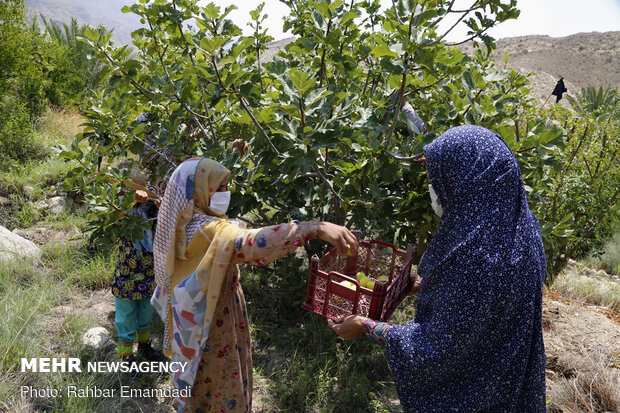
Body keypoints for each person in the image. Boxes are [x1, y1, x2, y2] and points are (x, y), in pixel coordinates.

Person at [328, 125, 546, 412]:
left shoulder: (474, 254)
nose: (436, 192)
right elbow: (483, 309)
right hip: (511, 387)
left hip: (477, 398)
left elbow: (435, 349)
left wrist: (367, 326)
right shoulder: (524, 229)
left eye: (438, 182)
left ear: (467, 179)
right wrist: (430, 285)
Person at [151, 157, 358, 413]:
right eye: (220, 188)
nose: (226, 194)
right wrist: (311, 228)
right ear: (199, 191)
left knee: (198, 384)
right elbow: (252, 244)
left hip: (191, 321)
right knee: (221, 381)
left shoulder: (180, 227)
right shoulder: (212, 230)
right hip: (215, 322)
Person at [111, 113, 169, 361]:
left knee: (146, 301)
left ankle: (144, 346)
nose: (147, 141)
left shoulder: (162, 171)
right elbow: (113, 211)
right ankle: (125, 354)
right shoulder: (127, 171)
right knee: (126, 303)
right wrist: (131, 198)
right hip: (130, 254)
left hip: (150, 252)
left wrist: (158, 201)